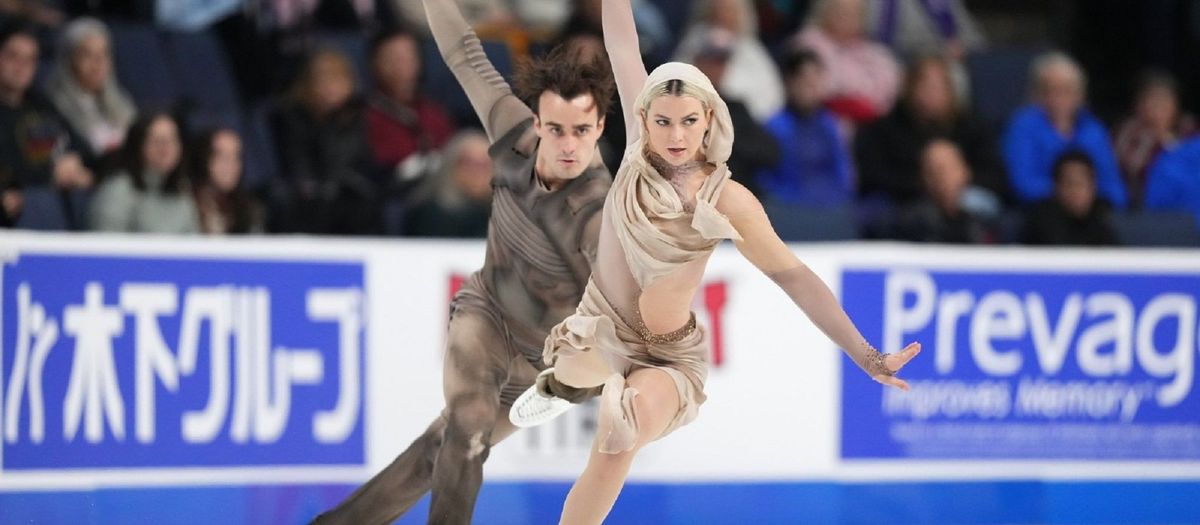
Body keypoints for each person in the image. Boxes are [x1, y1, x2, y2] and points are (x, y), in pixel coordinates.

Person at [508, 1, 922, 523]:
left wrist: (865, 354)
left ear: (709, 120)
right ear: (643, 118)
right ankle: (560, 387)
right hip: (597, 327)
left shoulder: (729, 200)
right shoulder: (638, 147)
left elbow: (793, 276)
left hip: (664, 356)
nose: (675, 136)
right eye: (663, 121)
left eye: (688, 121)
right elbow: (621, 37)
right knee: (571, 374)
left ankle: (585, 396)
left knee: (621, 430)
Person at [308, 0, 617, 522]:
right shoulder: (512, 133)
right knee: (469, 424)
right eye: (557, 130)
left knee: (442, 451)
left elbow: (621, 311)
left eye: (582, 132)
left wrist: (585, 376)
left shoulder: (601, 211)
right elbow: (463, 51)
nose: (568, 146)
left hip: (545, 361)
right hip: (487, 317)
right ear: (537, 122)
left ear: (601, 127)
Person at [1002, 51, 1126, 209]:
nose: (1059, 98)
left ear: (1080, 95)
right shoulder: (1023, 126)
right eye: (1051, 90)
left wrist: (1086, 197)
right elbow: (1022, 184)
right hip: (1042, 213)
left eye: (1067, 90)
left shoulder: (1094, 130)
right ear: (1036, 94)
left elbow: (1115, 189)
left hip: (1090, 214)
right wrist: (1070, 194)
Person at [0, 21, 94, 230]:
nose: (21, 66)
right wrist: (50, 174)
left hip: (41, 204)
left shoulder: (39, 106)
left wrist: (76, 166)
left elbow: (82, 149)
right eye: (13, 56)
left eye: (30, 59)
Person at [757, 47, 853, 205]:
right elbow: (765, 178)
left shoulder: (830, 125)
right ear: (790, 83)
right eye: (805, 81)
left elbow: (842, 173)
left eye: (816, 80)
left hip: (828, 206)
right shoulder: (773, 126)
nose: (811, 87)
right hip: (786, 207)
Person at [89, 111, 201, 234]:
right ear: (138, 145)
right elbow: (105, 248)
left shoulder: (182, 194)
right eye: (157, 141)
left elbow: (193, 246)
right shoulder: (117, 192)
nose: (166, 148)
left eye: (172, 140)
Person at [43, 17, 136, 159]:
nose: (97, 64)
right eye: (87, 55)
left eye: (103, 54)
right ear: (69, 61)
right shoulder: (49, 107)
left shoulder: (121, 101)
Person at [403, 129, 493, 238]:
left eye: (485, 165)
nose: (477, 173)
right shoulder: (430, 215)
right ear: (451, 167)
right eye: (470, 164)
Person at [1022, 150, 1118, 246]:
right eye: (1070, 184)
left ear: (1093, 187)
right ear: (1057, 187)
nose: (1076, 191)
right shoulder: (1040, 224)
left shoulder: (1103, 219)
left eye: (1081, 184)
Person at [189, 128, 265, 235]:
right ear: (204, 159)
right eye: (223, 156)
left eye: (236, 157)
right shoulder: (187, 205)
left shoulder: (251, 209)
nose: (231, 164)